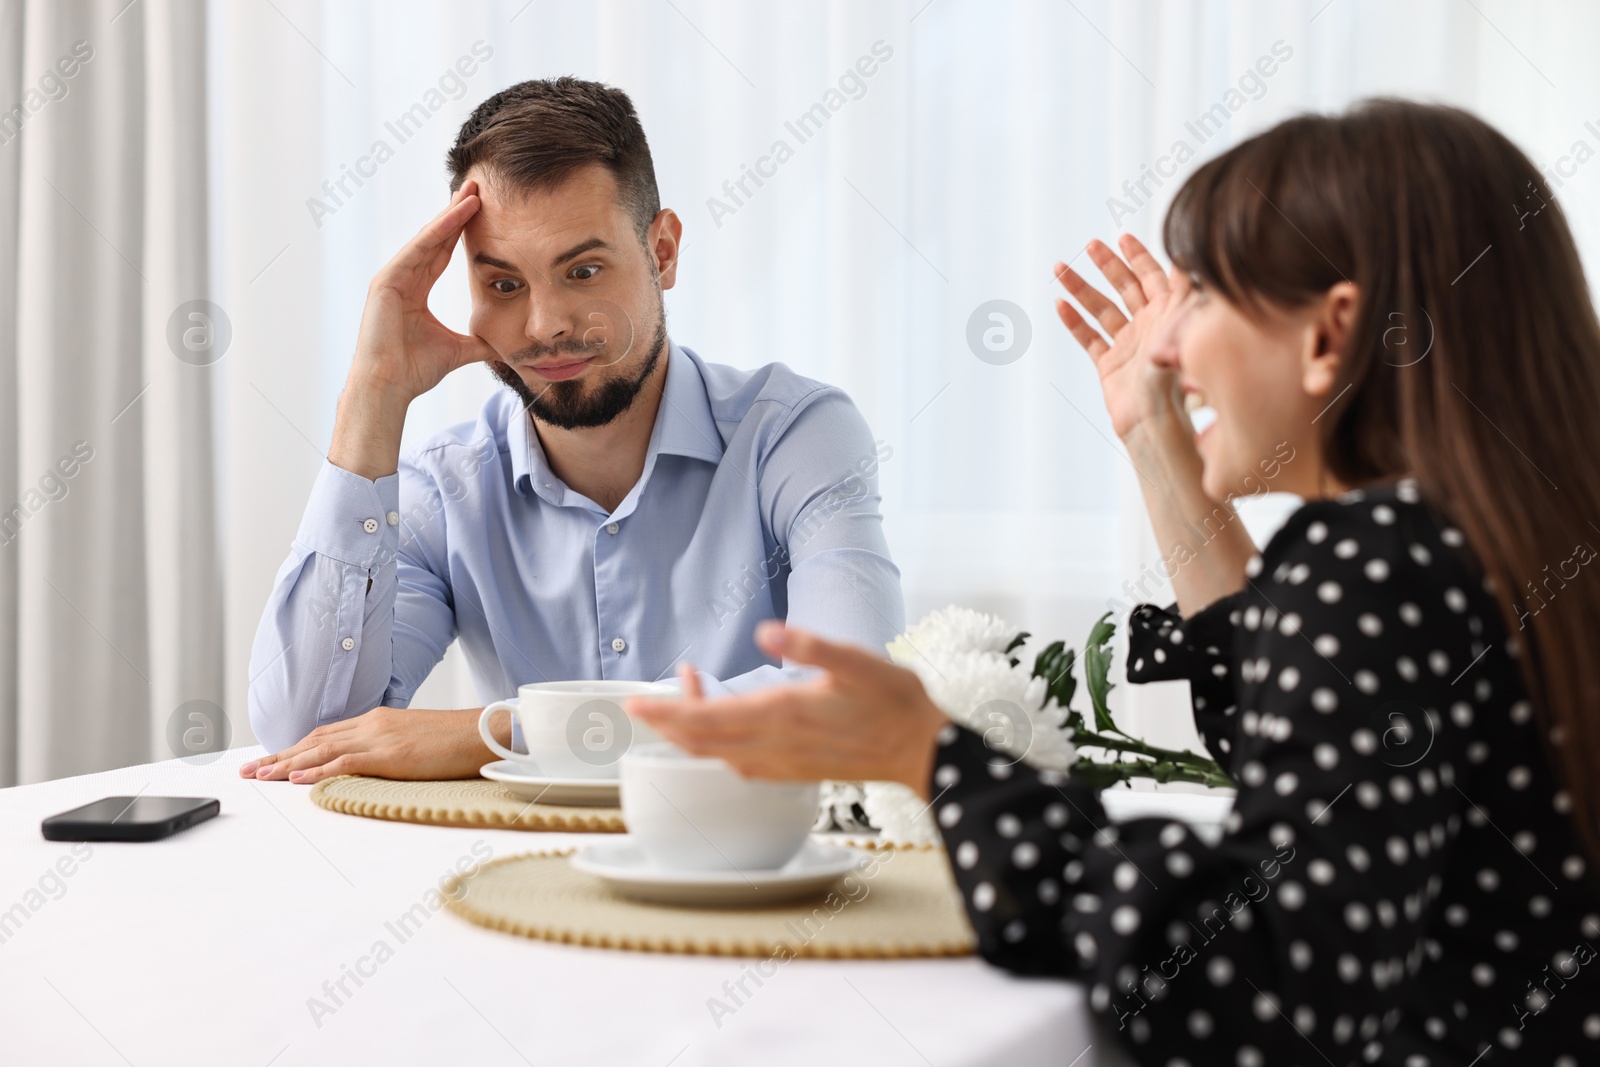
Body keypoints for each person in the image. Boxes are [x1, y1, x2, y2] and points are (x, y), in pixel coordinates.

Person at [630, 99, 1600, 1065]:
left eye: (1208, 295)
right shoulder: (1503, 545)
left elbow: (1265, 992)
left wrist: (938, 759)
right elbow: (1301, 709)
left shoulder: (1372, 560)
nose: (1170, 346)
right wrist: (1154, 437)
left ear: (1327, 335)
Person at [241, 77, 902, 784]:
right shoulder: (448, 486)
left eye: (582, 271)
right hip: (502, 882)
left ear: (664, 252)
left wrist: (507, 729)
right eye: (503, 284)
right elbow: (307, 734)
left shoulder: (794, 437)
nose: (545, 324)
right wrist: (370, 399)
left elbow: (854, 702)